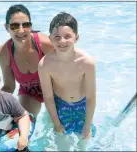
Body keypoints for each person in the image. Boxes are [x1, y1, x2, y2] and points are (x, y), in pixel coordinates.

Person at [38, 12, 96, 151]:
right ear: (50, 39)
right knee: (61, 145)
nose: (62, 41)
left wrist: (87, 126)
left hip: (82, 107)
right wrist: (56, 123)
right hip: (60, 107)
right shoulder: (45, 64)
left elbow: (91, 97)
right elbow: (48, 97)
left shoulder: (87, 62)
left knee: (85, 145)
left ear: (77, 37)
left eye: (67, 36)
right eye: (57, 37)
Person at [0, 4, 54, 117]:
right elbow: (9, 86)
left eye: (26, 25)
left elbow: (67, 68)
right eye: (15, 26)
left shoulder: (45, 44)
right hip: (29, 93)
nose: (21, 30)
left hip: (54, 90)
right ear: (6, 27)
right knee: (23, 123)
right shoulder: (4, 53)